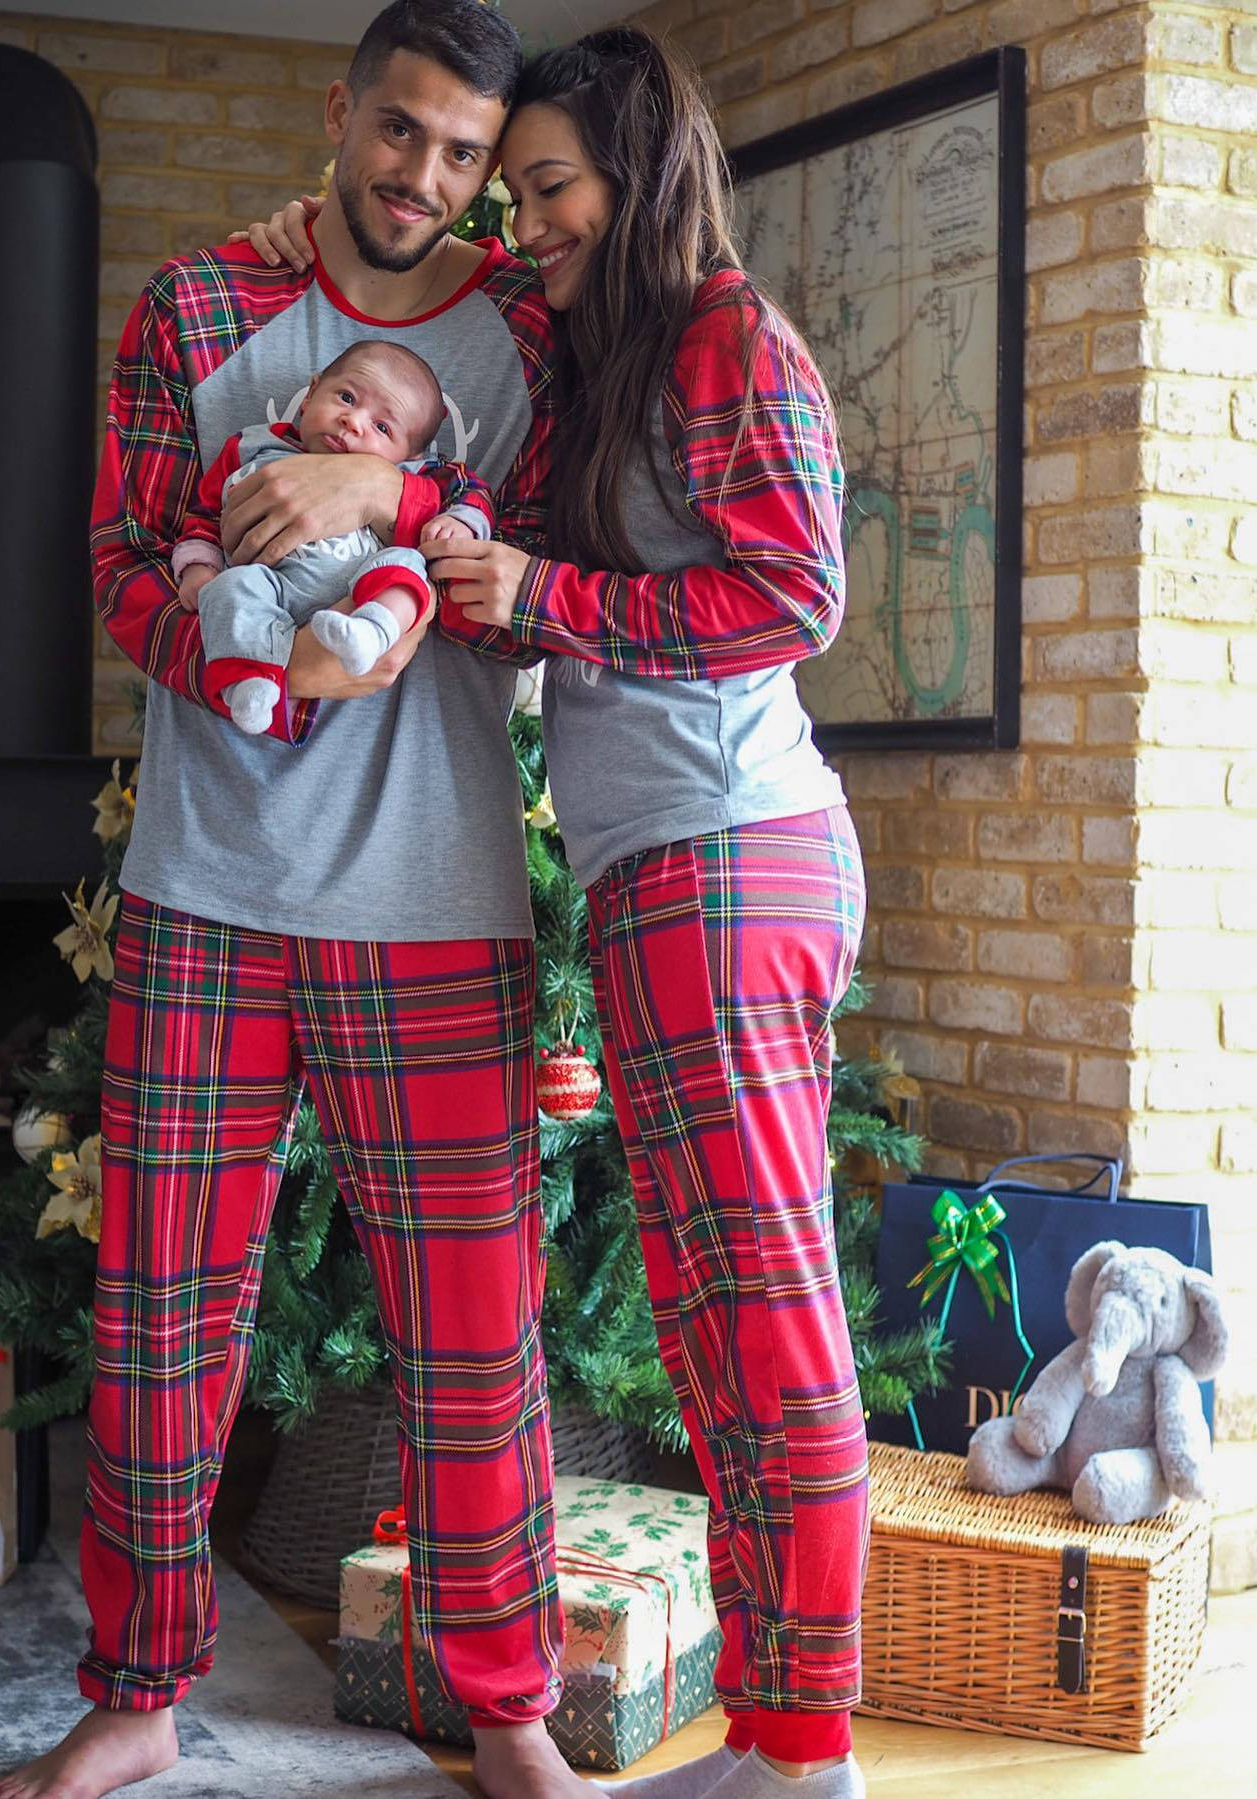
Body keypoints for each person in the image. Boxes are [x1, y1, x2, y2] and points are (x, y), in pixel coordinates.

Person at [245, 25, 869, 1799]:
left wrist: (549, 588)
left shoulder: (727, 330)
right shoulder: (612, 357)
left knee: (761, 1318)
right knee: (717, 1317)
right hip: (664, 864)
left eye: (549, 188)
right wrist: (499, 590)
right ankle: (782, 1746)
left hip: (731, 853)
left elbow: (795, 591)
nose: (524, 224)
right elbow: (601, 597)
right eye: (507, 196)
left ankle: (804, 1757)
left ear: (645, 168)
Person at [0, 5, 588, 1798]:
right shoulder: (198, 307)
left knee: (474, 1328)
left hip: (440, 895)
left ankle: (507, 1714)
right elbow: (117, 555)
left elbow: (544, 573)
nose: (426, 177)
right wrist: (256, 670)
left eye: (465, 152)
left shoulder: (528, 340)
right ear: (341, 115)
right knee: (166, 1308)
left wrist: (386, 488)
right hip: (209, 884)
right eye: (401, 132)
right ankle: (140, 1689)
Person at [175, 339, 491, 730]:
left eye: (382, 426)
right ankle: (251, 683)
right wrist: (198, 565)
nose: (353, 421)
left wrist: (462, 521)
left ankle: (370, 631)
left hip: (358, 590)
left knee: (407, 567)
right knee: (229, 590)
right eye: (345, 397)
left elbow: (470, 491)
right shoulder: (251, 449)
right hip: (272, 587)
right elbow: (206, 513)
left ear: (411, 457)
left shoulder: (414, 477)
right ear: (310, 395)